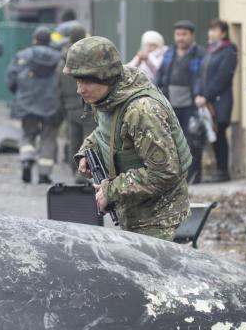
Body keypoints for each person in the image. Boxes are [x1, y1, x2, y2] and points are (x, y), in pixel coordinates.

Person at [67, 36, 191, 240]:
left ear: (105, 76)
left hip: (157, 219)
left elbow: (164, 173)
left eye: (86, 81)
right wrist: (87, 151)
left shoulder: (142, 111)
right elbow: (107, 131)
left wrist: (110, 191)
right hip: (134, 212)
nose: (80, 90)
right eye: (77, 81)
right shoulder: (110, 97)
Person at [6, 26, 63, 184]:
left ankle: (26, 159)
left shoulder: (22, 56)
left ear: (34, 39)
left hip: (27, 103)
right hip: (51, 105)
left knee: (28, 134)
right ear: (49, 40)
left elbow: (11, 78)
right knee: (48, 139)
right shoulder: (59, 59)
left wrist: (19, 94)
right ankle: (44, 174)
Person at [155, 19, 206, 184]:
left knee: (192, 142)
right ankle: (175, 177)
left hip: (191, 106)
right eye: (178, 34)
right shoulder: (170, 52)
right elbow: (160, 75)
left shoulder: (200, 54)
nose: (180, 38)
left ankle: (193, 177)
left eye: (184, 34)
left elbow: (202, 78)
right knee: (171, 142)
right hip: (170, 105)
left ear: (192, 36)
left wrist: (199, 94)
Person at [197, 19, 238, 182]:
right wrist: (200, 94)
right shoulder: (211, 50)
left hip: (220, 101)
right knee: (213, 134)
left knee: (220, 134)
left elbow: (223, 77)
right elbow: (203, 75)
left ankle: (223, 171)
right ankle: (218, 170)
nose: (210, 33)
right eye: (210, 30)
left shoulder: (229, 50)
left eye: (214, 30)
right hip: (208, 101)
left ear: (223, 33)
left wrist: (206, 95)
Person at [57, 24, 90, 175]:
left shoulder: (63, 59)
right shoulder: (89, 56)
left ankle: (74, 169)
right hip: (88, 105)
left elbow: (58, 85)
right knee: (89, 140)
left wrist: (62, 106)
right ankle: (84, 173)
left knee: (73, 140)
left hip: (70, 107)